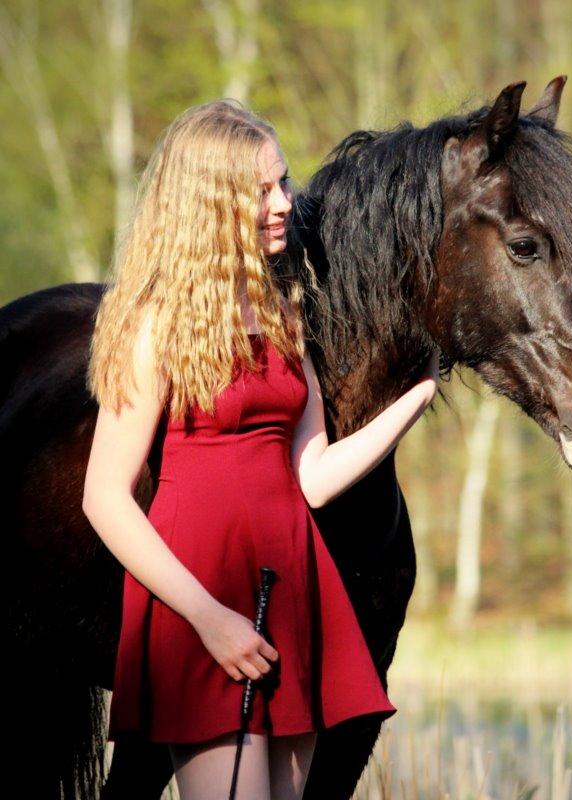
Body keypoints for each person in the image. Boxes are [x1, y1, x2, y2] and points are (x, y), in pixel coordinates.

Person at [82, 99, 439, 800]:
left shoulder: (281, 312)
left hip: (291, 589)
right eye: (262, 190)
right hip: (201, 598)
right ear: (210, 205)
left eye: (283, 181)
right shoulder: (154, 325)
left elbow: (310, 477)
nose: (285, 203)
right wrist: (209, 620)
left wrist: (414, 399)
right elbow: (104, 495)